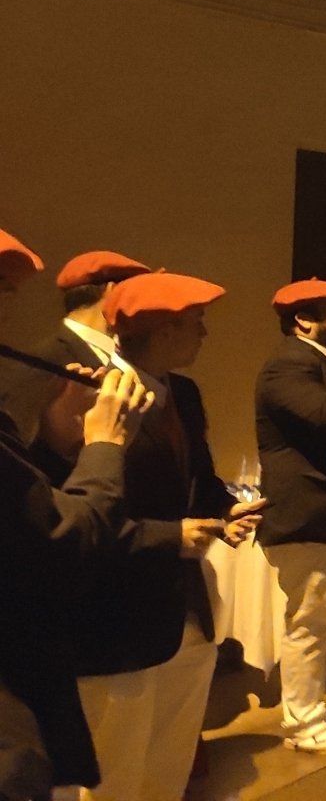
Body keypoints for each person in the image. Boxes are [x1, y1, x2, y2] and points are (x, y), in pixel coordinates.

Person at [74, 270, 264, 801]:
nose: (204, 334)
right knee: (116, 771)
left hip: (187, 608)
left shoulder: (182, 392)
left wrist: (226, 509)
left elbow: (198, 476)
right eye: (195, 323)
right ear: (161, 332)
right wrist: (171, 535)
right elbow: (83, 518)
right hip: (120, 617)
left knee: (170, 763)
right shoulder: (93, 395)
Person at [0, 228, 154, 801]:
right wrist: (103, 445)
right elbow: (53, 534)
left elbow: (21, 477)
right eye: (1, 288)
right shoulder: (44, 357)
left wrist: (60, 439)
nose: (8, 305)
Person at [255, 276, 326, 753]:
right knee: (310, 619)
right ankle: (303, 720)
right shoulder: (286, 363)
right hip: (307, 513)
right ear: (303, 320)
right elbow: (325, 415)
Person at [0, 249, 148, 480]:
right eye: (141, 295)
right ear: (113, 292)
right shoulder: (44, 362)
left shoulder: (123, 359)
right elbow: (18, 474)